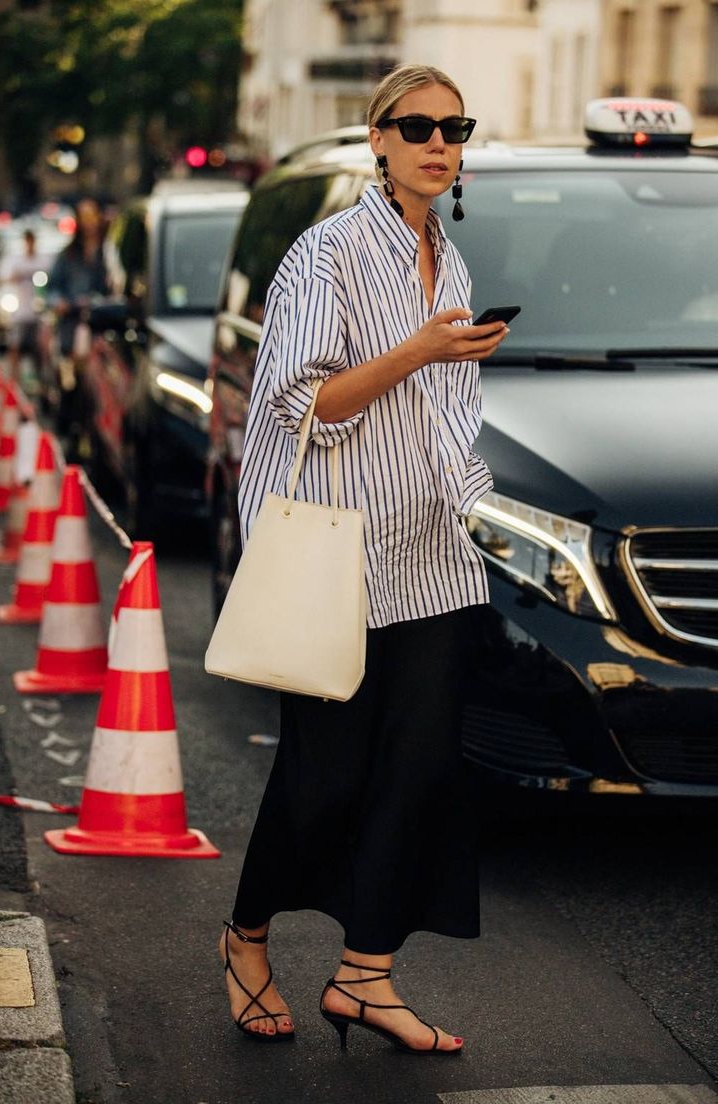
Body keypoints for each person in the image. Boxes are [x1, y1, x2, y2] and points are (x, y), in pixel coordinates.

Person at [219, 64, 510, 1054]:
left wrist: (483, 505)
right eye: (417, 125)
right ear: (376, 140)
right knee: (326, 779)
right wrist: (418, 352)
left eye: (454, 126)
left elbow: (443, 421)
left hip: (430, 556)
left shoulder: (452, 265)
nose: (438, 141)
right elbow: (307, 402)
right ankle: (245, 939)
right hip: (336, 559)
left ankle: (365, 977)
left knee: (419, 773)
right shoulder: (326, 254)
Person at [47, 198, 108, 442]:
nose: (89, 222)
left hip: (100, 329)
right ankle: (74, 430)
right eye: (84, 217)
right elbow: (52, 290)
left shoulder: (108, 252)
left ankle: (88, 432)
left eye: (92, 216)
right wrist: (59, 303)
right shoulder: (68, 255)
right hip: (73, 331)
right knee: (72, 385)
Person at [0, 228, 43, 385]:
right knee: (14, 346)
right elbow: (4, 279)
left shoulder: (41, 261)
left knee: (38, 349)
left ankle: (39, 380)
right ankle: (13, 381)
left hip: (37, 312)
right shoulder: (15, 260)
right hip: (19, 311)